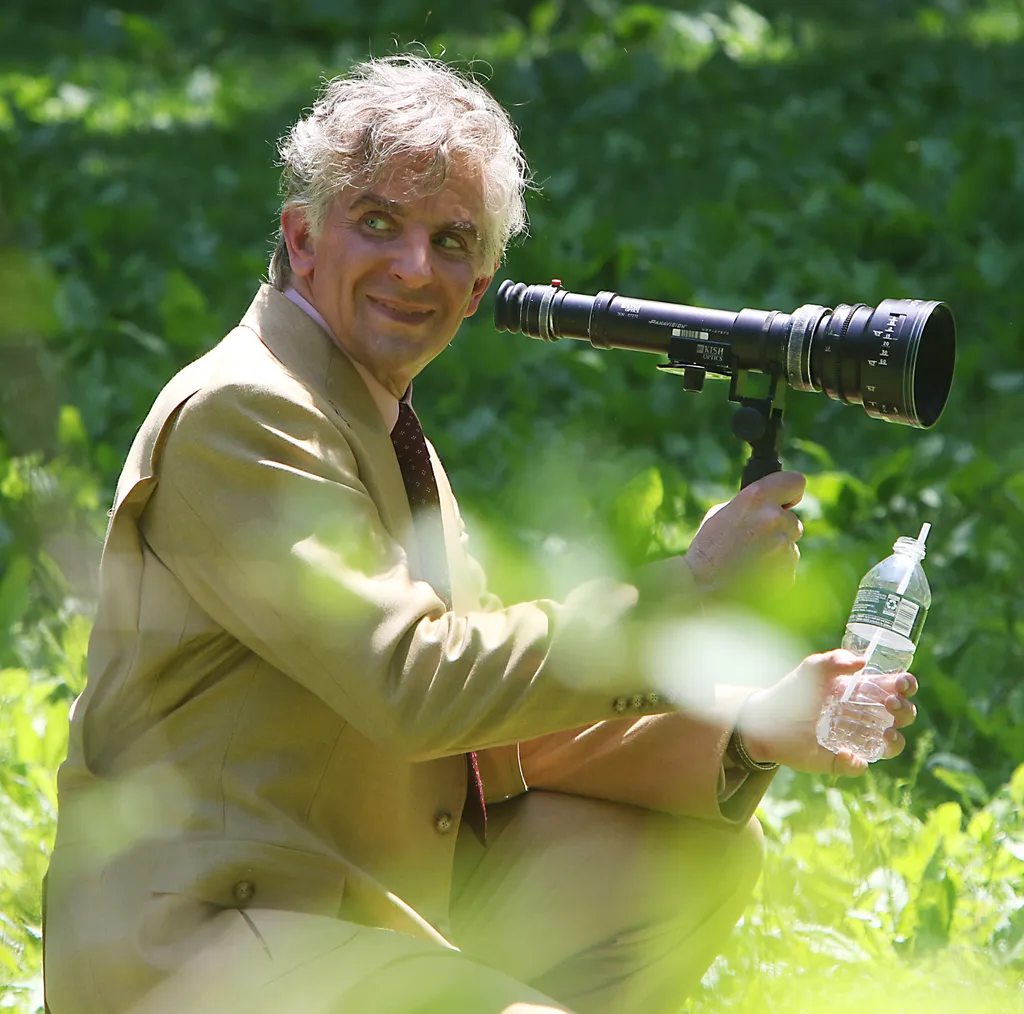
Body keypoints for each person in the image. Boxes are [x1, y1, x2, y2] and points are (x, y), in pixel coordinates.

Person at [42, 55, 918, 1014]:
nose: (416, 266)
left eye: (453, 241)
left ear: (480, 284)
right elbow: (415, 682)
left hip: (353, 898)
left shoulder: (369, 417)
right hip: (204, 942)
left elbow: (496, 740)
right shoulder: (247, 413)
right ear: (301, 238)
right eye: (378, 222)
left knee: (686, 852)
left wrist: (749, 730)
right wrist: (689, 587)